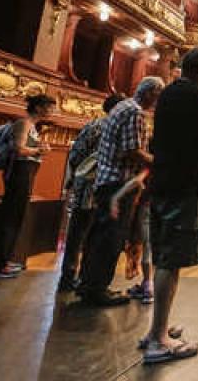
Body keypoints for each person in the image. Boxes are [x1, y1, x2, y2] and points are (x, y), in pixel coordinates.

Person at [142, 46, 198, 364]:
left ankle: (155, 330)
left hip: (162, 182)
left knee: (164, 257)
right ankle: (159, 340)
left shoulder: (168, 94)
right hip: (184, 185)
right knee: (170, 262)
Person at [77, 77, 163, 307]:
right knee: (111, 237)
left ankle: (87, 284)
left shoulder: (121, 107)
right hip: (119, 183)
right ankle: (97, 289)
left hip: (107, 181)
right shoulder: (134, 112)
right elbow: (132, 151)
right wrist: (159, 162)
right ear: (151, 93)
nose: (158, 102)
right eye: (158, 96)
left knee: (98, 235)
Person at [0, 94, 56, 279]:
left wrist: (38, 147)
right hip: (19, 174)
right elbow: (19, 149)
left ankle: (2, 260)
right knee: (10, 217)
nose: (53, 111)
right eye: (50, 107)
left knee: (15, 216)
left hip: (25, 173)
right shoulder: (24, 124)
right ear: (38, 107)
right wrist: (40, 150)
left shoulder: (32, 127)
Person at [57, 93, 126, 292]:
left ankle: (69, 277)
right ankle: (82, 278)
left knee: (78, 234)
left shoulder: (93, 126)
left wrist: (73, 179)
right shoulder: (111, 129)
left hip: (86, 186)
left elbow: (77, 154)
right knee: (90, 235)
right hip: (101, 187)